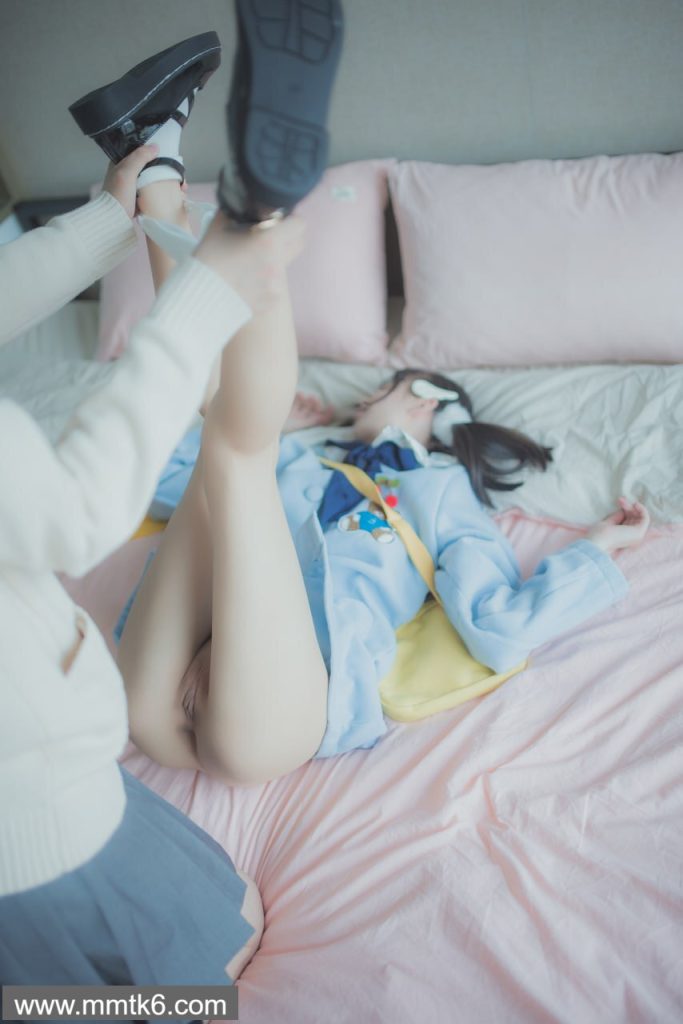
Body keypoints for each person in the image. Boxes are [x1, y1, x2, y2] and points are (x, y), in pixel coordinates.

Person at [0, 19, 331, 991]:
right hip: (36, 819)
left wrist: (106, 221)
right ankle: (227, 212)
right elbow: (76, 514)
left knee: (230, 453)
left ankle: (167, 179)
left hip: (75, 749)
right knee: (236, 453)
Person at [115, 198, 650, 783]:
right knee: (222, 446)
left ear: (424, 400)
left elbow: (498, 626)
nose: (362, 400)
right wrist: (284, 431)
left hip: (280, 711)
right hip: (160, 701)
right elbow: (159, 480)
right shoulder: (305, 456)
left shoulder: (439, 490)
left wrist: (594, 551)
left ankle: (238, 236)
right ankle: (167, 203)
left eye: (383, 391)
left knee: (237, 445)